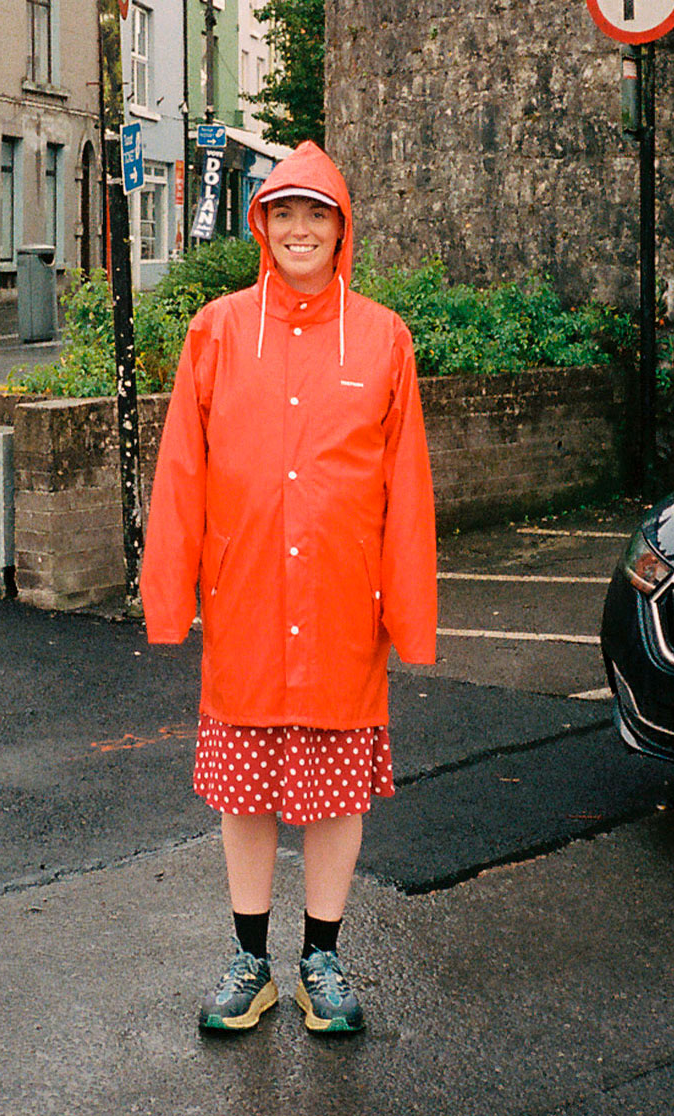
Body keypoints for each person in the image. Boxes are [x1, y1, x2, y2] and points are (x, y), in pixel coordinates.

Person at [140, 140, 436, 1036]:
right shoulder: (218, 330)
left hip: (345, 609)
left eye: (317, 214)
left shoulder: (382, 337)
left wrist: (410, 614)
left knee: (337, 791)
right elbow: (181, 474)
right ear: (261, 225)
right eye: (284, 213)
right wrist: (170, 596)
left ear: (342, 231)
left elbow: (407, 487)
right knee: (246, 789)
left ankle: (322, 959)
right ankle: (249, 959)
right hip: (248, 604)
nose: (300, 229)